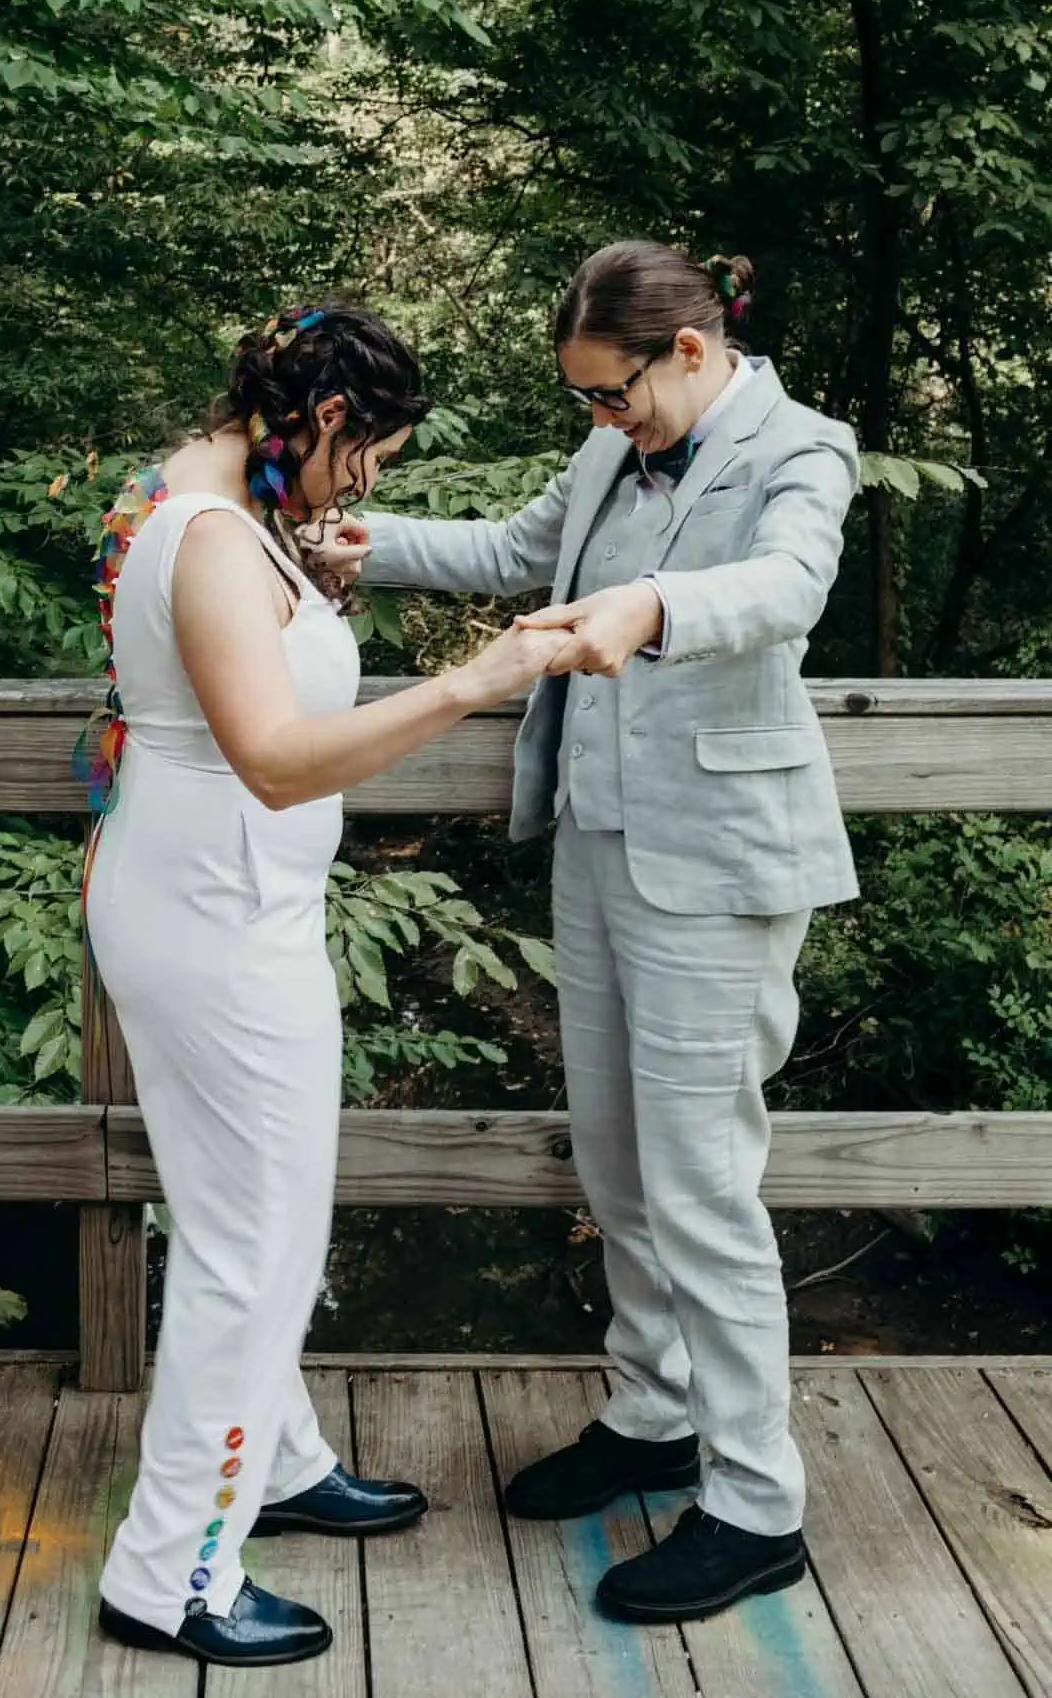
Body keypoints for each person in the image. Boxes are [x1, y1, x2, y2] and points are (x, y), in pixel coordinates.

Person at [326, 243, 860, 1626]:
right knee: (618, 1162)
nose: (602, 425)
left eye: (613, 397)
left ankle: (754, 1504)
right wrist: (356, 544)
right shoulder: (614, 450)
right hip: (596, 846)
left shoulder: (803, 450)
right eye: (585, 405)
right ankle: (654, 1411)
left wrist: (655, 606)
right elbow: (513, 553)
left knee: (702, 1184)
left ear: (688, 352)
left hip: (722, 866)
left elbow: (791, 587)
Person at [80, 302, 574, 1671]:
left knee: (260, 1219)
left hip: (218, 901)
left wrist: (316, 565)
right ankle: (170, 1569)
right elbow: (280, 760)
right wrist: (477, 680)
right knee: (254, 1251)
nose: (373, 485)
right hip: (218, 919)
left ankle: (277, 1460)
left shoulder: (201, 488)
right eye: (375, 457)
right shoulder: (213, 540)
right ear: (332, 420)